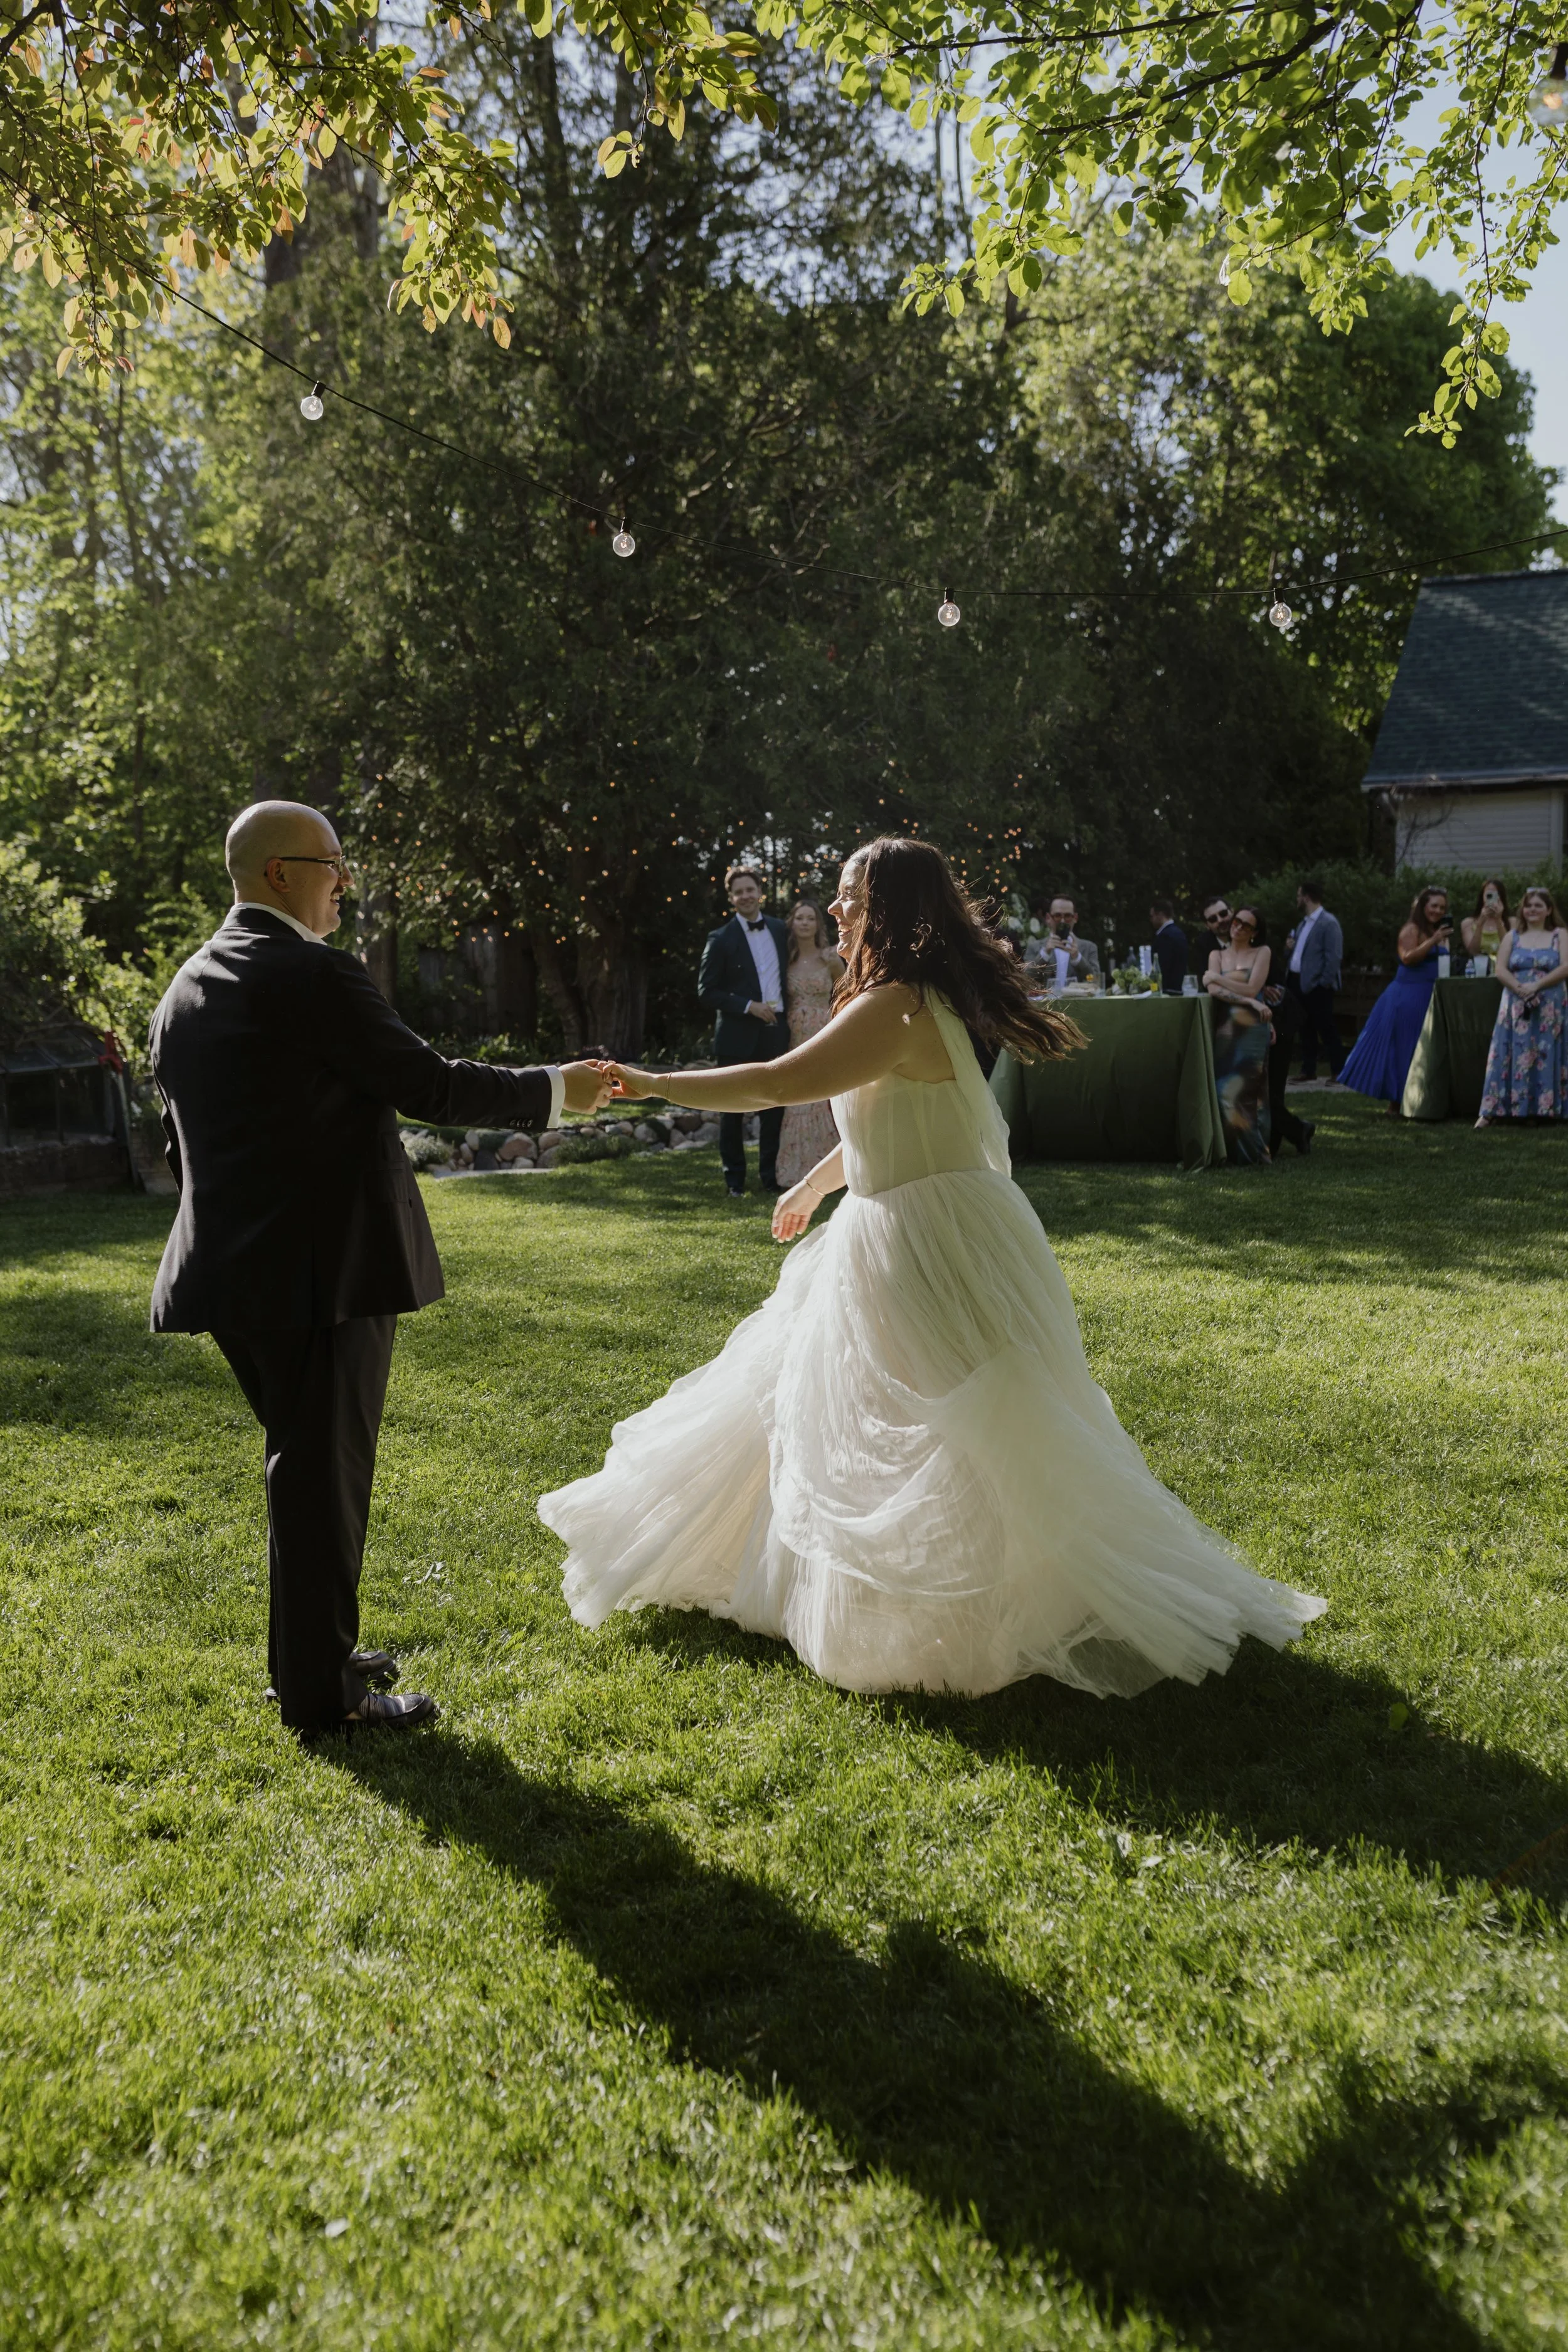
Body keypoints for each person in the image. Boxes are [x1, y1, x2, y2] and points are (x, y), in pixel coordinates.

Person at [540, 837, 1325, 1700]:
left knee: (966, 1422)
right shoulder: (909, 1002)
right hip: (917, 1222)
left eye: (848, 897)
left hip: (929, 1236)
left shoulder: (895, 1006)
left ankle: (988, 1604)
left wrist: (651, 1083)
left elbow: (774, 1080)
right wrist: (814, 1179)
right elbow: (894, 1112)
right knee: (881, 1411)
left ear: (889, 908)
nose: (835, 910)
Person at [148, 800, 612, 1736]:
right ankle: (325, 1700)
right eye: (333, 863)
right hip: (323, 1276)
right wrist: (561, 1090)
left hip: (234, 1277)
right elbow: (428, 1082)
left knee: (302, 1473)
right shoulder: (312, 974)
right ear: (280, 874)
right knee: (320, 1481)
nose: (345, 882)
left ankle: (313, 1659)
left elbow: (180, 1137)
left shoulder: (188, 985)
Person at [697, 865, 792, 1197]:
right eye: (739, 892)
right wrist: (748, 1005)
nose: (746, 896)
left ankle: (771, 1178)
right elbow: (706, 991)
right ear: (731, 898)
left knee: (774, 1109)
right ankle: (734, 1181)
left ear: (760, 892)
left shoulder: (781, 930)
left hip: (776, 1032)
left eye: (750, 889)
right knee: (731, 1113)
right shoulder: (720, 939)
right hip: (736, 1036)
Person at [1338, 886, 1453, 1115]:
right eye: (1434, 906)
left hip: (1431, 993)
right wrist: (1433, 942)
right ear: (1422, 906)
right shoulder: (1412, 929)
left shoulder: (1439, 931)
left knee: (1425, 1047)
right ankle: (1396, 1102)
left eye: (1442, 907)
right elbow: (1407, 958)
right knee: (1405, 1045)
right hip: (1408, 994)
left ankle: (1422, 1100)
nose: (1438, 910)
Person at [1476, 885, 1568, 1127]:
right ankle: (1496, 1110)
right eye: (1528, 906)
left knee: (1546, 1053)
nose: (1532, 910)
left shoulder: (1560, 935)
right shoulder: (1512, 936)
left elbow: (1565, 967)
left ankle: (1543, 1110)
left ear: (1549, 910)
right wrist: (1520, 990)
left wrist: (1536, 986)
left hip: (1549, 1005)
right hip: (1516, 1005)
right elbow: (1501, 969)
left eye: (1538, 905)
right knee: (1511, 1053)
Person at [775, 898, 845, 1189]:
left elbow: (847, 991)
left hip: (825, 1028)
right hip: (794, 1032)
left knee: (827, 1093)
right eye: (799, 918)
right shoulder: (785, 960)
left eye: (810, 919)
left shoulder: (830, 956)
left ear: (818, 925)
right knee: (799, 1093)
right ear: (792, 923)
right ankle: (794, 1170)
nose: (805, 923)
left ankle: (835, 1174)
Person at [1203, 906, 1273, 1165]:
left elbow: (1254, 987)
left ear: (1254, 932)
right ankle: (1235, 1153)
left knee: (1251, 1093)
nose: (1238, 926)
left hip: (1253, 1030)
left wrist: (1219, 980)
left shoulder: (1262, 952)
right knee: (1225, 1091)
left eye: (1247, 925)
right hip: (1226, 1029)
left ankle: (1257, 1154)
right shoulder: (1216, 955)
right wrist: (1251, 1000)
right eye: (1237, 921)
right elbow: (1212, 991)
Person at [1284, 878, 1345, 1079]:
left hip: (1317, 986)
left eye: (1299, 895)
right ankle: (1308, 1069)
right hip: (1297, 982)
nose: (1297, 899)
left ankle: (1339, 1070)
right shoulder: (1303, 923)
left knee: (1326, 1027)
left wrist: (1323, 983)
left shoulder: (1329, 923)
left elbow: (1334, 956)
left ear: (1307, 897)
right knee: (1305, 1028)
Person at [1026, 895, 1101, 989]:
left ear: (1075, 918)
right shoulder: (1034, 947)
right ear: (1048, 918)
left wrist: (1078, 958)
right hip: (1047, 1003)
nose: (1062, 921)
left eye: (1067, 916)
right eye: (1058, 916)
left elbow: (1096, 981)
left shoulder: (1089, 947)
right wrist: (1045, 955)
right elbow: (1025, 980)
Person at [1462, 879, 1511, 965]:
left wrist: (1498, 920)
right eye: (1489, 894)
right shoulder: (1468, 923)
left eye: (1496, 894)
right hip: (1480, 969)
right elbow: (1473, 951)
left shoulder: (1512, 922)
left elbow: (1510, 948)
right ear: (1483, 897)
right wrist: (1480, 924)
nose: (1492, 898)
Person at [1148, 898, 1188, 993]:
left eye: (1152, 916)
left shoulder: (1166, 936)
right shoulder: (1179, 933)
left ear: (1160, 915)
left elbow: (1162, 968)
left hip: (1168, 991)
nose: (1151, 920)